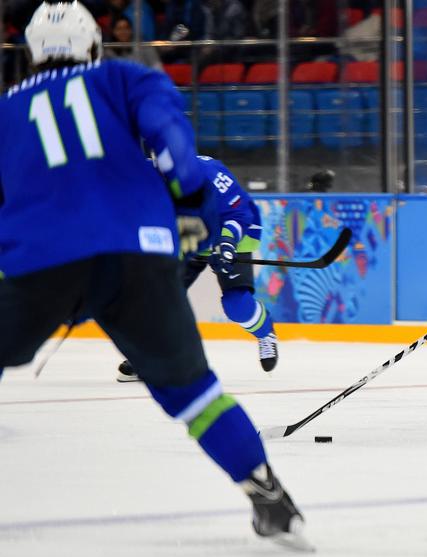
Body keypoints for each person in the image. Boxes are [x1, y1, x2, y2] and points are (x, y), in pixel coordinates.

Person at [0, 2, 311, 550]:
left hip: (41, 259)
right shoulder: (124, 76)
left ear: (30, 53)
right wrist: (190, 208)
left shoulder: (6, 108)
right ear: (94, 46)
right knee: (195, 394)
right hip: (136, 254)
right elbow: (170, 137)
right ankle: (271, 500)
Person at [117, 155, 279, 382]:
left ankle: (265, 334)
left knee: (237, 306)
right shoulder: (144, 173)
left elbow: (238, 214)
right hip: (189, 238)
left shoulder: (209, 173)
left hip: (231, 235)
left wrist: (227, 243)